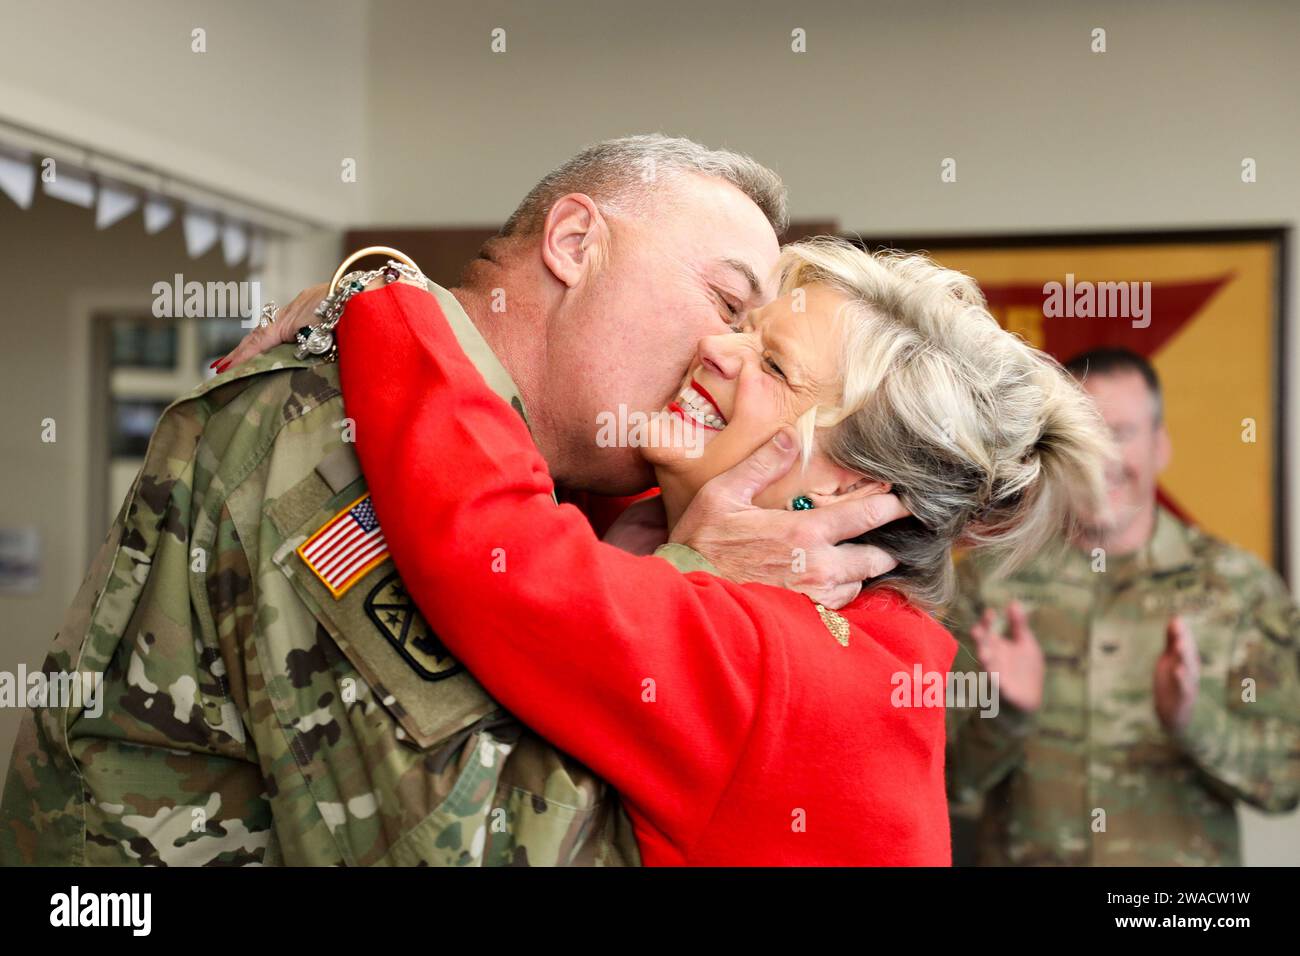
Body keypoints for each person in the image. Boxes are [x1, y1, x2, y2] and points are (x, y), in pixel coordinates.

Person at [0, 135, 902, 866]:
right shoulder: (335, 426)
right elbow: (474, 848)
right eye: (724, 302)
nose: (723, 354)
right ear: (576, 244)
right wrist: (688, 596)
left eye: (756, 340)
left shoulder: (534, 479)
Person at [315, 238, 1112, 864]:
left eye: (771, 365)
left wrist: (384, 298)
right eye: (739, 324)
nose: (714, 348)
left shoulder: (774, 663)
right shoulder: (864, 635)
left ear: (844, 487)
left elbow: (488, 550)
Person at [946, 347, 1300, 866]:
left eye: (1122, 432)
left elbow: (1287, 781)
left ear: (1160, 446)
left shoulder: (1239, 587)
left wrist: (1192, 719)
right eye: (1081, 434)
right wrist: (1007, 717)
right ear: (1051, 449)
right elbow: (939, 783)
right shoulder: (987, 582)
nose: (1100, 458)